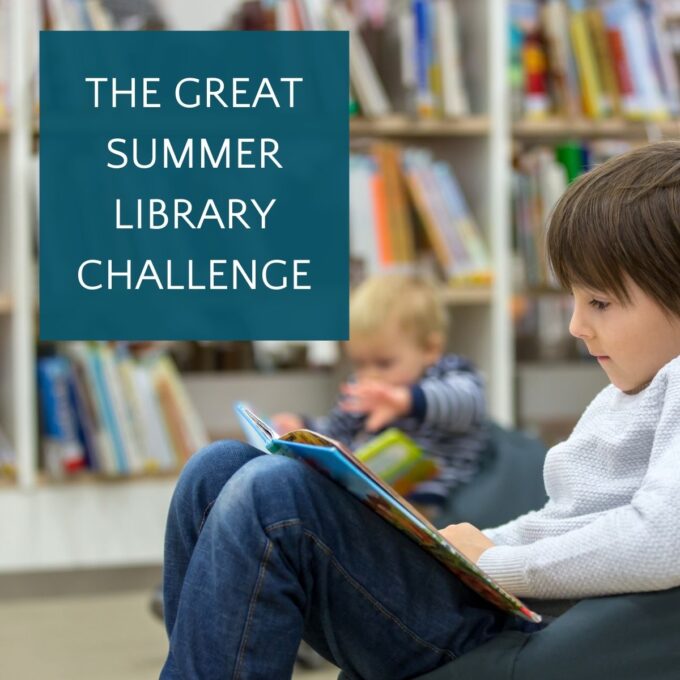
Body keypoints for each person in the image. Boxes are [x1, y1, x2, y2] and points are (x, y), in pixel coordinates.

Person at [161, 142, 680, 680]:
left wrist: (491, 562)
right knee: (217, 470)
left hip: (518, 629)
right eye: (574, 300)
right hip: (503, 601)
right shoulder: (631, 391)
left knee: (275, 496)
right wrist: (464, 548)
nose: (576, 325)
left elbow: (661, 539)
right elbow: (567, 521)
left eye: (599, 303)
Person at [273, 273, 488, 516]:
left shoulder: (450, 373)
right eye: (360, 364)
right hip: (370, 491)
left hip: (432, 500)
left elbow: (468, 403)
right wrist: (304, 427)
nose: (370, 375)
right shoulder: (365, 389)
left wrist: (404, 400)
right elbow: (337, 429)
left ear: (430, 349)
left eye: (384, 364)